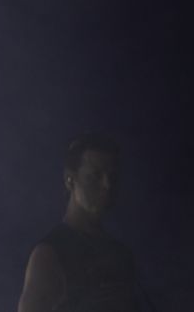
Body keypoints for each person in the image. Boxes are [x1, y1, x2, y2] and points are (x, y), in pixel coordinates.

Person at [18, 133, 141, 312]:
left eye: (112, 177)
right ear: (70, 180)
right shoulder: (51, 254)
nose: (106, 185)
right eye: (94, 176)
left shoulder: (120, 254)